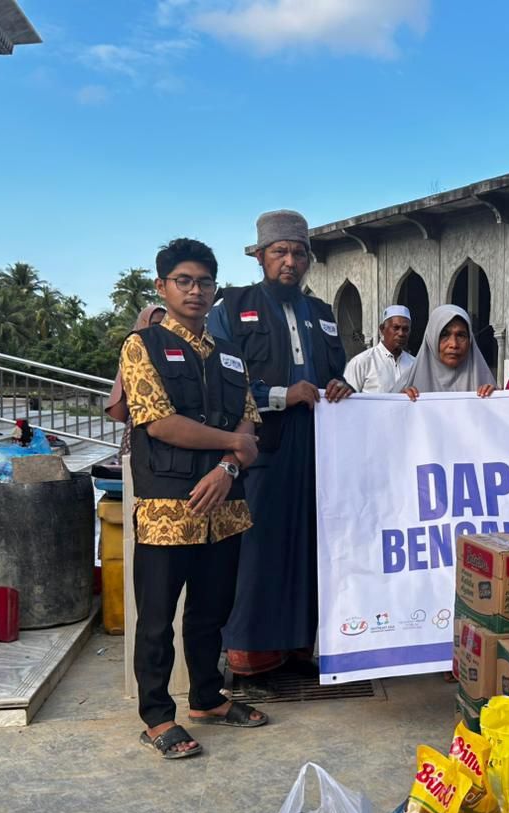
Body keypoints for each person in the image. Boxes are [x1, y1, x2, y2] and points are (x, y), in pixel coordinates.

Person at [119, 238, 266, 759]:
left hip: (224, 506)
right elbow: (159, 422)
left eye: (204, 282)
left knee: (211, 611)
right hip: (168, 508)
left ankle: (207, 698)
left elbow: (248, 418)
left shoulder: (229, 354)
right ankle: (157, 716)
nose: (195, 291)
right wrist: (233, 446)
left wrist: (228, 467)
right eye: (183, 281)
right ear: (162, 286)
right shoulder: (143, 346)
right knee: (156, 618)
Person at [207, 210, 351, 678]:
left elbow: (338, 373)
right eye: (280, 252)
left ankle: (300, 640)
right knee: (259, 545)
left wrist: (342, 386)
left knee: (312, 541)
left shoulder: (322, 314)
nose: (290, 261)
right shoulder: (232, 308)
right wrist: (279, 396)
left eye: (298, 253)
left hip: (317, 447)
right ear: (260, 256)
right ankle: (249, 646)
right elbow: (220, 380)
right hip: (261, 444)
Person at [399, 304, 496, 400]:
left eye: (461, 335)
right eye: (444, 335)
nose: (454, 344)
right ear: (431, 338)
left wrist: (496, 399)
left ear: (470, 340)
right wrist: (400, 402)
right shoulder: (407, 384)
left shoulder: (483, 383)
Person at [343, 305, 414, 393]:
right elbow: (348, 398)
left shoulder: (413, 364)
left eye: (405, 329)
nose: (401, 333)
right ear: (382, 329)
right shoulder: (361, 362)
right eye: (396, 328)